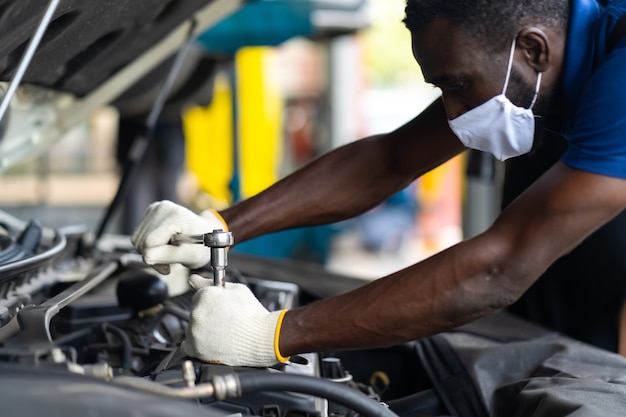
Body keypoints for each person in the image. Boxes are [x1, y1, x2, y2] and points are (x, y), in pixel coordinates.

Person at [131, 0, 626, 367]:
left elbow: (498, 268)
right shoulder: (540, 52)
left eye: (456, 85)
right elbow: (391, 158)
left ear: (534, 49)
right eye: (441, 88)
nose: (452, 114)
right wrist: (214, 227)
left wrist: (271, 335)